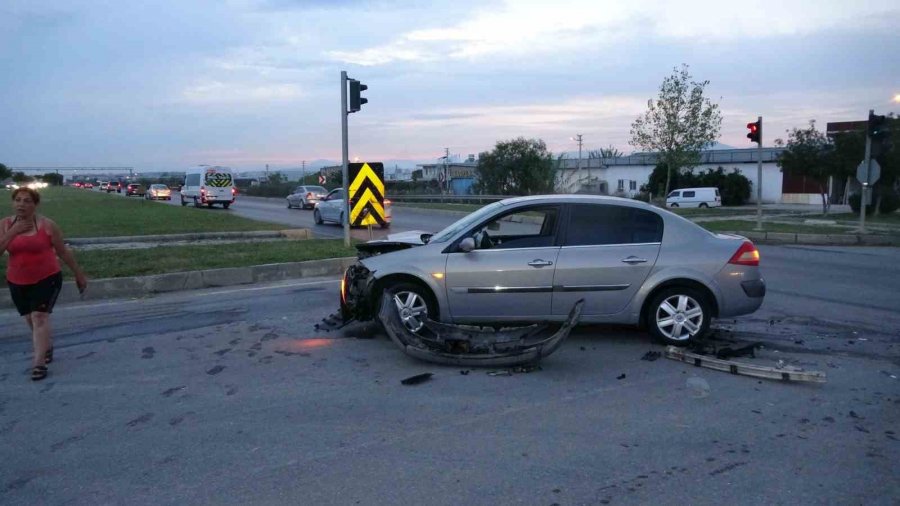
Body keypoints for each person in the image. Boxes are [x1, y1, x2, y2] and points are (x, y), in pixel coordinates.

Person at [0, 188, 88, 381]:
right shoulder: (5, 225)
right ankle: (46, 345)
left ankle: (38, 363)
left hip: (47, 277)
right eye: (18, 200)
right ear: (13, 203)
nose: (21, 204)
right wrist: (13, 232)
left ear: (35, 205)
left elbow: (63, 252)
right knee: (30, 319)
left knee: (39, 317)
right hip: (17, 279)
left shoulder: (47, 225)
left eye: (27, 201)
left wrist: (79, 275)